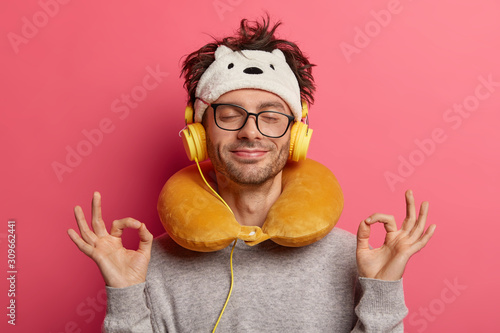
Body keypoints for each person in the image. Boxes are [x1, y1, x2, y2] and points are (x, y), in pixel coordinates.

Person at [67, 16, 436, 332]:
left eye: (272, 115)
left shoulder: (352, 259)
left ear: (296, 136)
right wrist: (126, 296)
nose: (251, 131)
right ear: (198, 131)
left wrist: (382, 292)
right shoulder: (155, 263)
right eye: (229, 114)